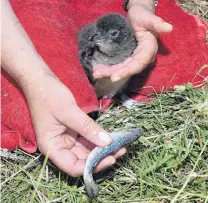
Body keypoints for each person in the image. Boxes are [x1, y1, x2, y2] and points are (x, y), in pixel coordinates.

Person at [1, 0, 172, 177]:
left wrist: (141, 5)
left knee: (169, 55)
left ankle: (115, 94)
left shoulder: (124, 42)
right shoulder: (92, 43)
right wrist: (35, 80)